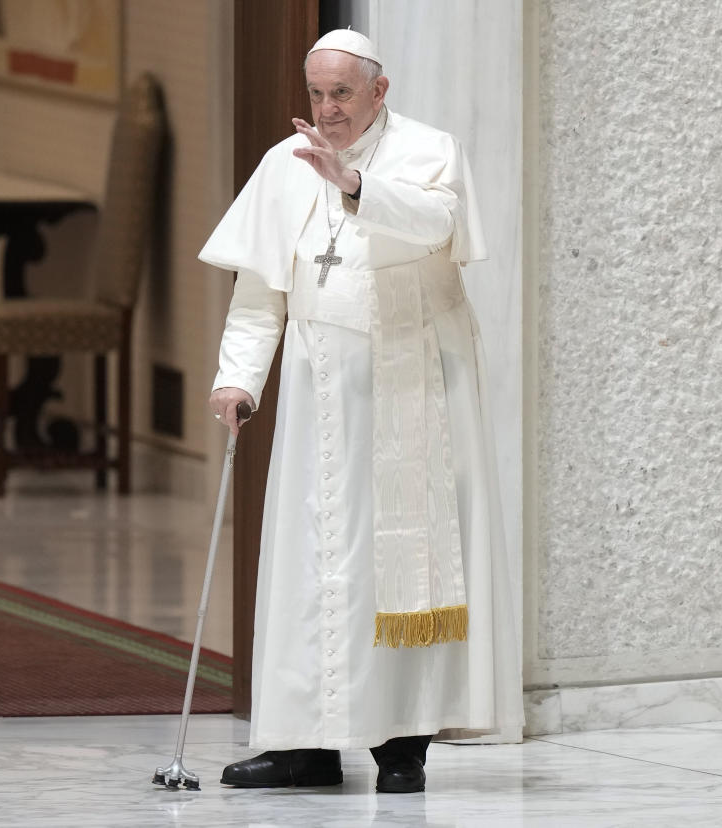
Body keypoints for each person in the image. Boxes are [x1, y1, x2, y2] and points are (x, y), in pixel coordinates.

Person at [198, 29, 524, 794]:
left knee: (394, 568)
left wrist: (351, 184)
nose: (327, 107)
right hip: (320, 396)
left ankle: (400, 746)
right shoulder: (284, 165)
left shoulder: (428, 151)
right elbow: (260, 289)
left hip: (412, 393)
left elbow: (435, 225)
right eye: (316, 93)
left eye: (341, 92)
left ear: (380, 91)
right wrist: (237, 378)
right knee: (311, 566)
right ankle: (304, 745)